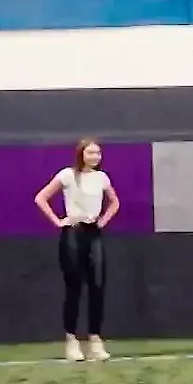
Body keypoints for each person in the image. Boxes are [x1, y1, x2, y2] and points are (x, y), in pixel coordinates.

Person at [33, 138, 119, 362]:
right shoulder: (67, 175)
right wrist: (58, 221)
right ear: (81, 154)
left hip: (93, 234)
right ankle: (72, 341)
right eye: (91, 153)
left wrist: (102, 221)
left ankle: (95, 340)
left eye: (98, 153)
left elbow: (115, 202)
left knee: (97, 286)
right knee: (74, 288)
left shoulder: (102, 177)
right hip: (73, 233)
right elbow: (41, 198)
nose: (95, 157)